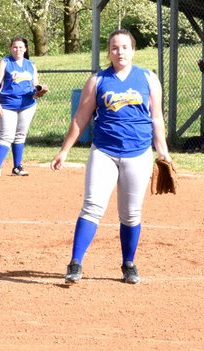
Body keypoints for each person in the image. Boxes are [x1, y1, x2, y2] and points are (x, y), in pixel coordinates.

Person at [50, 29, 172, 285]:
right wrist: (65, 150)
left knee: (131, 214)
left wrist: (163, 151)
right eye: (115, 48)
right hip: (104, 152)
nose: (120, 52)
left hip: (138, 154)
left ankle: (128, 264)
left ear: (133, 50)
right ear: (109, 52)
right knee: (92, 206)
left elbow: (157, 118)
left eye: (125, 47)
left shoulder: (148, 79)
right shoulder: (97, 80)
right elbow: (80, 118)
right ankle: (75, 262)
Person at [0, 36, 47, 178]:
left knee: (20, 136)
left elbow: (35, 87)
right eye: (15, 47)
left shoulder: (31, 65)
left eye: (21, 47)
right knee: (6, 135)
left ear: (25, 49)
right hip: (7, 104)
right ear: (11, 48)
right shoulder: (5, 63)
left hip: (27, 105)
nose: (18, 49)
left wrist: (40, 91)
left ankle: (17, 167)